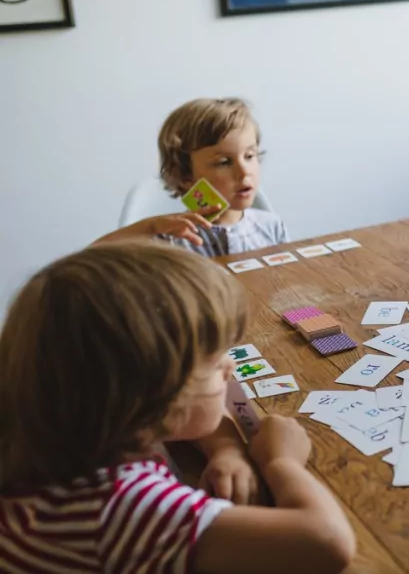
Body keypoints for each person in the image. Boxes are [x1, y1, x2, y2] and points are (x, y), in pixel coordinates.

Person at [0, 242, 356, 573]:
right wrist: (282, 461)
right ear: (153, 393)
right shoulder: (121, 507)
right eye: (216, 363)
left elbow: (190, 418)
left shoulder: (49, 415)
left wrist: (227, 450)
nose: (230, 368)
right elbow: (326, 541)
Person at [96, 98, 288, 257]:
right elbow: (93, 257)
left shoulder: (272, 226)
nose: (244, 171)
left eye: (249, 156)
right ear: (186, 175)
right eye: (224, 162)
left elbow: (289, 287)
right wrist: (151, 227)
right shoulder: (171, 238)